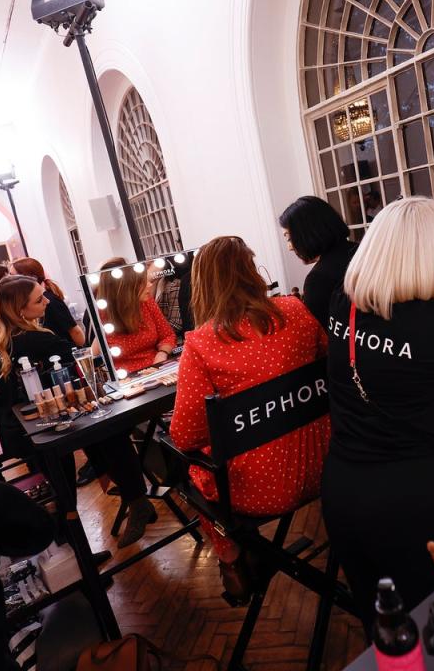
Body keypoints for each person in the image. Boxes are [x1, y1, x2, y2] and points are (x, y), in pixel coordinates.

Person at [321, 194, 434, 628]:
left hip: (343, 488)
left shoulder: (341, 302)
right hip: (413, 497)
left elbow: (404, 241)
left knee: (382, 620)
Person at [169, 237, 331, 601]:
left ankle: (232, 557)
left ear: (204, 284)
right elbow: (328, 369)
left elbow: (186, 435)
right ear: (251, 270)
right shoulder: (296, 310)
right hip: (324, 461)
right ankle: (247, 555)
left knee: (188, 468)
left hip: (261, 491)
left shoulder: (202, 343)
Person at [0, 275, 157, 548]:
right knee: (108, 433)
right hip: (47, 423)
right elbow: (82, 359)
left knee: (88, 454)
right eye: (39, 299)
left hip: (23, 427)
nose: (46, 302)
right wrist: (97, 345)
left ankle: (127, 500)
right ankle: (134, 500)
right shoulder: (38, 341)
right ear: (20, 309)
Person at [279, 195, 357, 329]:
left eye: (289, 239)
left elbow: (320, 335)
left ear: (308, 234)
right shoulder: (360, 250)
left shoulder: (318, 279)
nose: (290, 247)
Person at [96, 261, 176, 374]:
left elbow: (167, 335)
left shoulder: (147, 303)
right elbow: (95, 358)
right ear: (126, 289)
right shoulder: (102, 314)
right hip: (125, 377)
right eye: (142, 282)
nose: (150, 284)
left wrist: (162, 353)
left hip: (157, 369)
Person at [10, 257, 85, 346]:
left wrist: (80, 354)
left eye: (12, 275)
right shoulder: (30, 300)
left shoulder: (51, 301)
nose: (9, 279)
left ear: (28, 277)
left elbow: (75, 331)